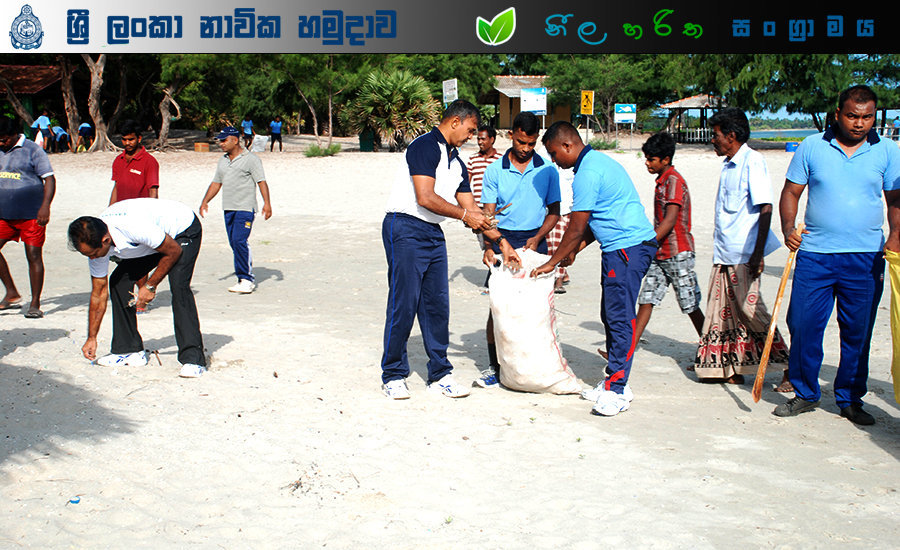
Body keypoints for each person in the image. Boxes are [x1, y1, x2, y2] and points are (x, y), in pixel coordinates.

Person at [775, 85, 900, 425]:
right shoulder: (812, 146)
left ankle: (849, 398)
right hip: (815, 254)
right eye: (852, 116)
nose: (859, 123)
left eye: (867, 117)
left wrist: (896, 237)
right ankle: (805, 393)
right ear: (837, 114)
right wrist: (789, 228)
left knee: (858, 330)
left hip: (865, 256)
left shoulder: (888, 150)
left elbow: (895, 201)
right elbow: (791, 191)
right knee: (802, 323)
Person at [380, 99, 519, 400]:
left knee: (437, 305)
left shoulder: (458, 162)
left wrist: (501, 242)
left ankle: (439, 374)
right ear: (456, 121)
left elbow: (472, 211)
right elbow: (425, 197)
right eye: (470, 130)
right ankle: (393, 374)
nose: (472, 136)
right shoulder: (425, 146)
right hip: (404, 226)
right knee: (404, 303)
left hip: (432, 232)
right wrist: (466, 215)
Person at [531, 121, 657, 416]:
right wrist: (574, 251)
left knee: (619, 318)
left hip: (627, 248)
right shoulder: (597, 162)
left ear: (567, 145)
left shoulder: (587, 173)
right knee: (610, 314)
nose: (553, 160)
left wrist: (552, 261)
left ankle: (618, 389)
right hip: (620, 247)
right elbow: (593, 221)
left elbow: (576, 225)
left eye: (553, 153)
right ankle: (614, 379)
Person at [694, 107, 788, 385]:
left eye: (716, 135)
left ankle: (790, 365)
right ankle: (727, 368)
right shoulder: (728, 165)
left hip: (744, 254)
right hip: (724, 253)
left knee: (751, 311)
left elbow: (766, 208)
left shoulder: (752, 161)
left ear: (731, 136)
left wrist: (757, 255)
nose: (713, 140)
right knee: (725, 315)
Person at [68, 199, 207, 378]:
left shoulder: (133, 228)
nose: (92, 259)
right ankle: (128, 350)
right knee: (118, 282)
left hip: (182, 230)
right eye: (87, 255)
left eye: (93, 254)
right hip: (152, 240)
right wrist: (92, 337)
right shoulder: (95, 244)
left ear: (105, 240)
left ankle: (193, 359)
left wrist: (150, 285)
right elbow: (98, 293)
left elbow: (173, 251)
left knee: (179, 285)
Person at [476, 111, 560, 388]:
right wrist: (490, 245)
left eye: (531, 144)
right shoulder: (494, 170)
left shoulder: (547, 169)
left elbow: (554, 213)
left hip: (536, 242)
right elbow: (487, 215)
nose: (525, 149)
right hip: (503, 239)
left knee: (535, 310)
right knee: (498, 308)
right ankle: (494, 366)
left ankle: (532, 365)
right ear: (511, 135)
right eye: (521, 142)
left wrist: (537, 238)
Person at [632, 132, 705, 351]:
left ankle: (711, 350)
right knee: (647, 298)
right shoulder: (662, 182)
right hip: (660, 252)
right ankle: (628, 349)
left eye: (651, 159)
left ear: (665, 159)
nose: (647, 163)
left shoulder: (674, 181)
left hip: (677, 251)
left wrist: (647, 244)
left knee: (690, 303)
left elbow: (670, 220)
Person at [199, 126, 273, 294]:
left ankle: (246, 279)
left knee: (240, 241)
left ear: (235, 139)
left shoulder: (251, 159)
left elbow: (261, 182)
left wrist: (266, 204)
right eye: (220, 140)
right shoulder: (223, 160)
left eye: (224, 140)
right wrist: (205, 201)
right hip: (228, 208)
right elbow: (216, 183)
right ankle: (243, 276)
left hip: (245, 208)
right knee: (234, 242)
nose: (221, 144)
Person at [0, 116, 56, 318]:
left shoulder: (33, 149)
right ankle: (12, 292)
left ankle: (35, 303)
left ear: (15, 134)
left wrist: (45, 207)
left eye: (4, 139)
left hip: (32, 214)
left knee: (33, 256)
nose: (1, 142)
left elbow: (49, 179)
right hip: (4, 214)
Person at [110, 119, 160, 313]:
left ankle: (142, 297)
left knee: (141, 258)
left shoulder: (150, 162)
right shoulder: (118, 160)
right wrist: (109, 212)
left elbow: (153, 190)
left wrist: (152, 215)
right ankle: (126, 294)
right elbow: (116, 187)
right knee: (123, 256)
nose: (127, 143)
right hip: (120, 216)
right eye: (124, 139)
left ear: (139, 139)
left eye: (131, 139)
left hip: (140, 216)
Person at [466, 125, 502, 292]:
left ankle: (493, 278)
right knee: (484, 242)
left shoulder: (501, 159)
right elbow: (466, 183)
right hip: (478, 208)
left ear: (492, 140)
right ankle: (493, 273)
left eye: (483, 139)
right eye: (478, 138)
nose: (479, 142)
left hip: (496, 208)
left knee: (495, 239)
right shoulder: (473, 160)